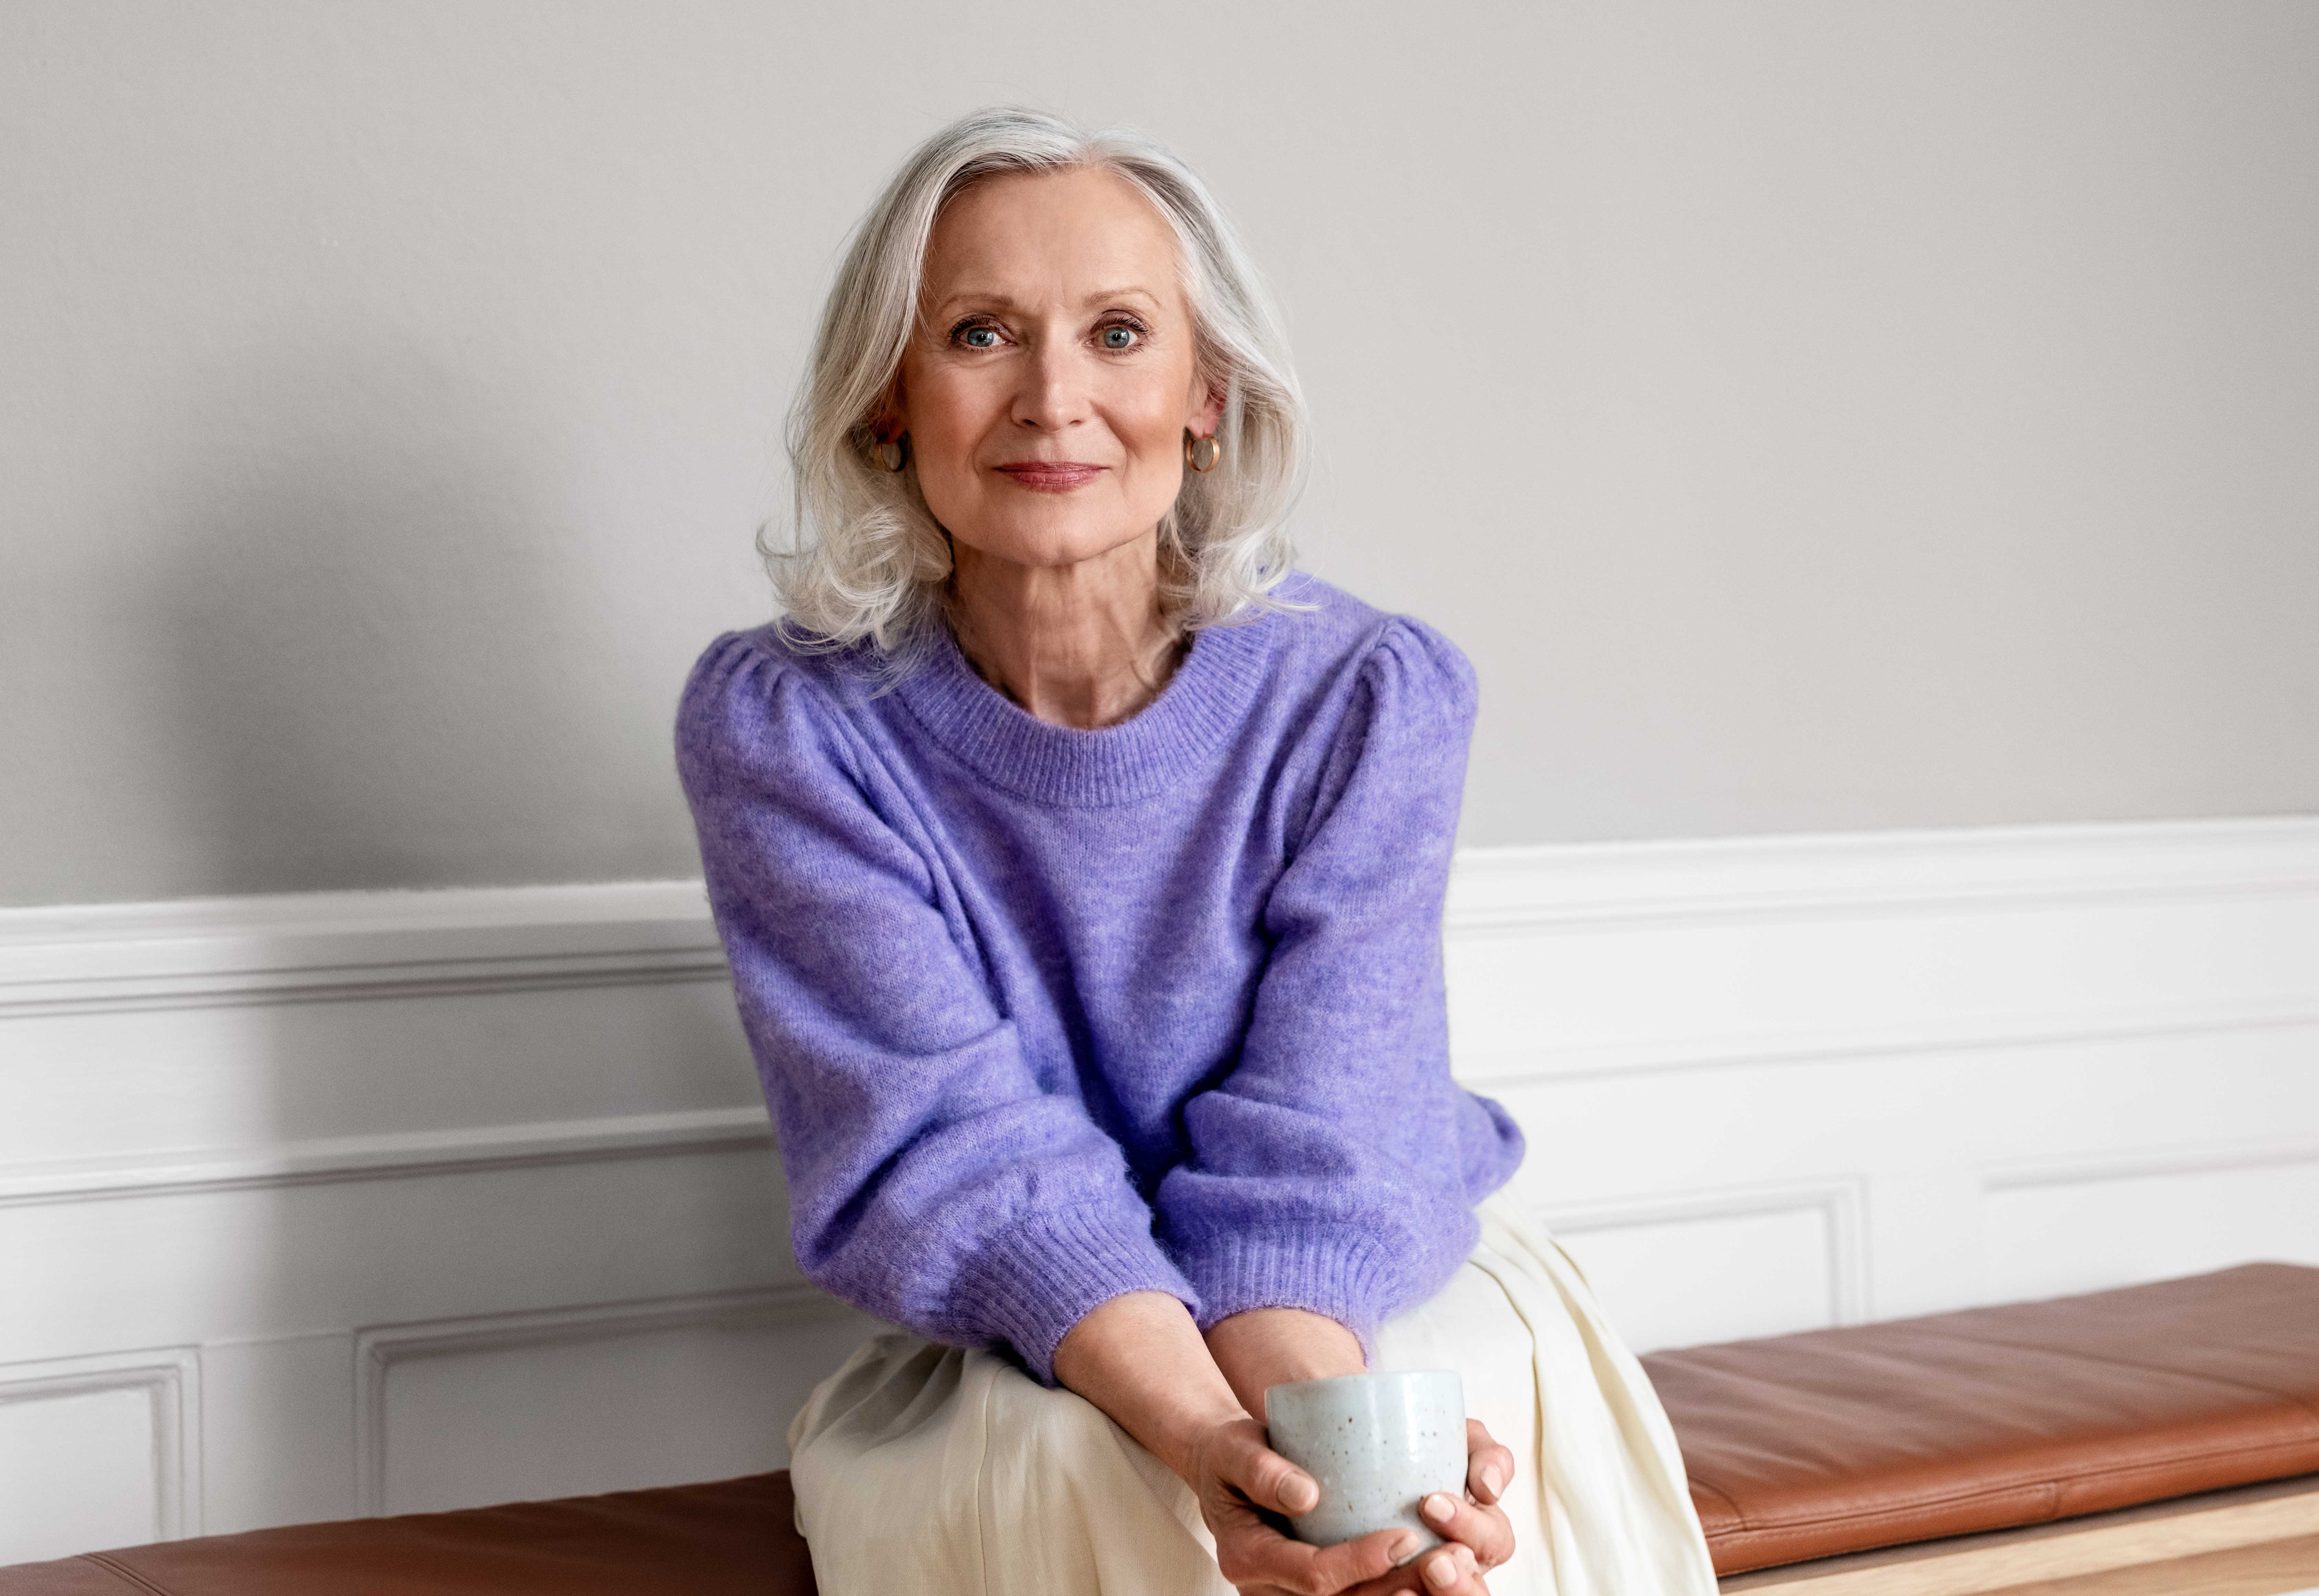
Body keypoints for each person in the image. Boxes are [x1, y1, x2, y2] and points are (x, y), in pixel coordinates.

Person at [675, 106, 1716, 1596]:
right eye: (979, 334)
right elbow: (961, 1165)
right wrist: (1210, 1446)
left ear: (1207, 392)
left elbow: (1326, 1148)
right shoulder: (787, 728)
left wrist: (1318, 1459)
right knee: (1078, 1474)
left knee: (1415, 1485)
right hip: (1035, 1329)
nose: (1053, 398)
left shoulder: (1370, 697)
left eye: (1116, 333)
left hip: (1366, 1289)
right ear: (890, 400)